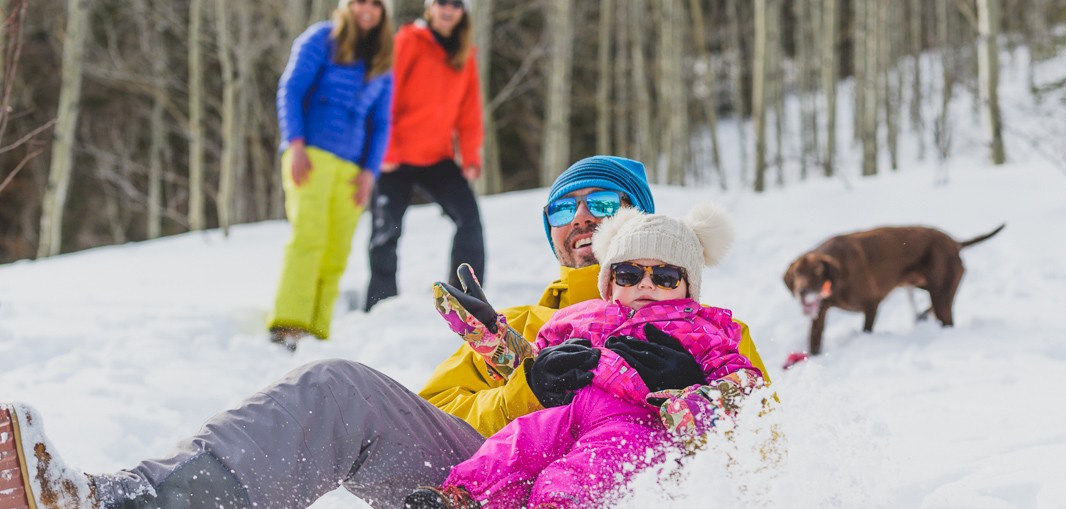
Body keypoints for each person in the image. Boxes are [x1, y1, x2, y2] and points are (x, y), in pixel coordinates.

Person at [0, 156, 768, 509]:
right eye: (562, 209)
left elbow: (772, 459)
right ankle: (128, 506)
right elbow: (432, 416)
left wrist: (691, 395)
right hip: (488, 490)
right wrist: (523, 387)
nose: (581, 219)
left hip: (621, 491)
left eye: (603, 201)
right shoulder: (527, 325)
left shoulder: (706, 332)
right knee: (339, 390)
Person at [412, 204, 764, 509]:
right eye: (629, 273)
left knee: (581, 470)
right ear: (610, 282)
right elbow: (534, 362)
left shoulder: (704, 329)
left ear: (689, 287)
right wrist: (487, 332)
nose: (645, 284)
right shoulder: (583, 316)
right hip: (568, 410)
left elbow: (746, 385)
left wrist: (692, 399)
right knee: (517, 442)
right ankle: (463, 496)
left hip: (633, 423)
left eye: (666, 276)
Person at [267, 0, 394, 351]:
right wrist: (295, 144)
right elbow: (290, 89)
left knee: (337, 249)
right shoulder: (321, 38)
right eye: (360, 2)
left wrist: (369, 173)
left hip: (353, 169)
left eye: (375, 4)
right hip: (311, 155)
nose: (366, 9)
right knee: (309, 237)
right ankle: (289, 323)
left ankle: (317, 328)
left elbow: (381, 123)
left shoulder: (383, 59)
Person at [364, 0, 485, 310]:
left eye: (456, 4)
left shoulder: (464, 54)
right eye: (441, 2)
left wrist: (470, 155)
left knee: (469, 219)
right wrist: (385, 148)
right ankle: (379, 304)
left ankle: (466, 301)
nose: (448, 9)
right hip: (397, 156)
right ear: (429, 7)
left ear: (463, 11)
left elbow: (469, 111)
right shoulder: (407, 42)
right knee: (386, 232)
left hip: (436, 158)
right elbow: (385, 94)